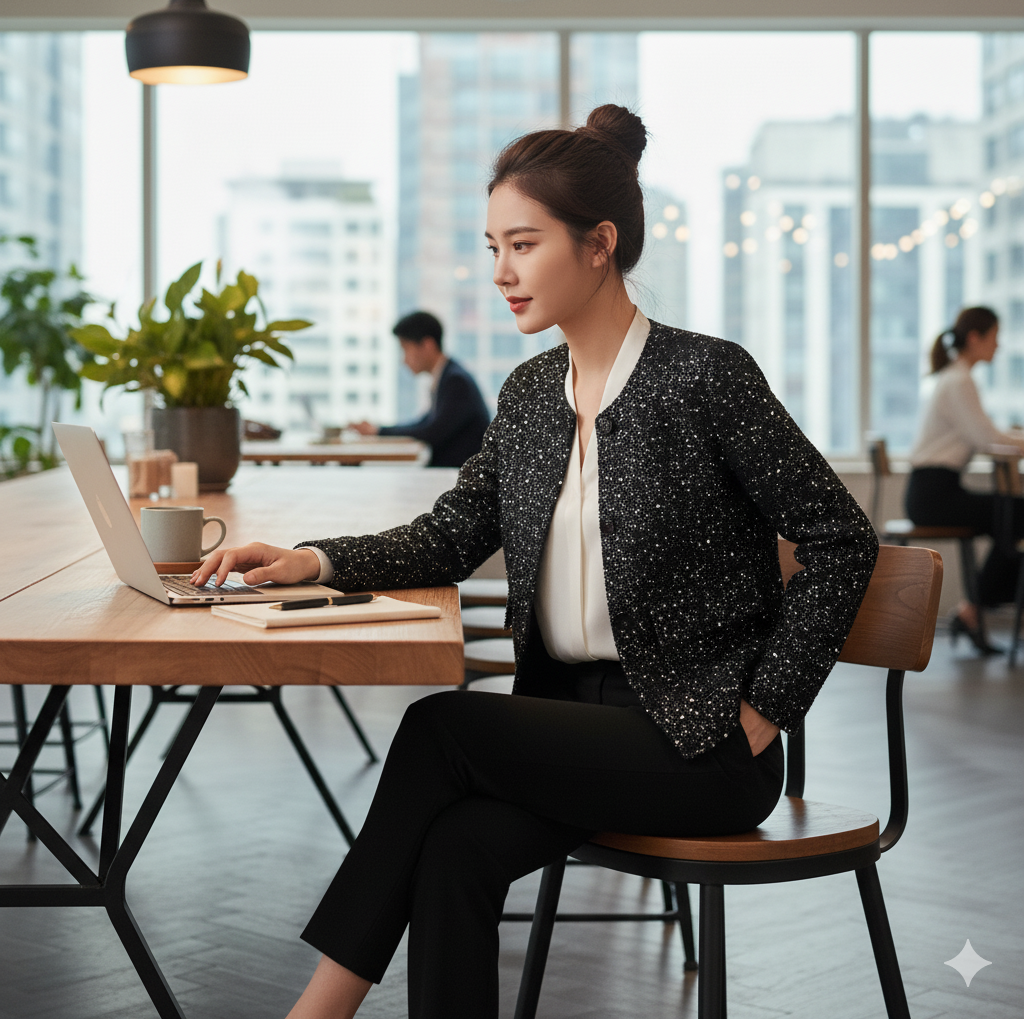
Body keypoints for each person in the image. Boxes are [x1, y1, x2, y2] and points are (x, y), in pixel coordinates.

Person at [192, 105, 879, 1019]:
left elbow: (842, 539)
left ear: (599, 245)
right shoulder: (527, 396)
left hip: (699, 740)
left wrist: (765, 709)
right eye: (491, 248)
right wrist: (312, 560)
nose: (502, 273)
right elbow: (448, 535)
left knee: (440, 731)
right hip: (566, 728)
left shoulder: (706, 379)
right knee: (454, 850)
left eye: (522, 245)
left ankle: (316, 1011)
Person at [905, 306, 1024, 654]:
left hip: (934, 491)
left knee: (1011, 516)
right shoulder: (959, 380)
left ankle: (975, 609)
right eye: (995, 338)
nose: (998, 347)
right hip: (933, 496)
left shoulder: (954, 377)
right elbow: (985, 438)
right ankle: (975, 609)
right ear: (975, 338)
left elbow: (986, 436)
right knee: (1014, 515)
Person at [350, 310, 490, 468]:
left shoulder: (456, 381)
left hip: (459, 478)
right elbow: (423, 424)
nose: (404, 360)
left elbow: (431, 433)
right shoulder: (446, 376)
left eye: (405, 349)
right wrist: (378, 430)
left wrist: (378, 432)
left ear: (427, 345)